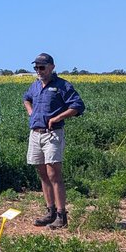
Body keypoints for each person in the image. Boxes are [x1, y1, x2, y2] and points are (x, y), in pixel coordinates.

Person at [23, 53, 85, 228]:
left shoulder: (62, 85)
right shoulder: (35, 85)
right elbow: (26, 98)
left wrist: (57, 118)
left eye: (42, 67)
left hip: (52, 134)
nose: (38, 71)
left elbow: (78, 105)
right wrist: (31, 112)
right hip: (35, 133)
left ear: (52, 67)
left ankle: (61, 215)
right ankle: (50, 211)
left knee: (53, 174)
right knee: (42, 173)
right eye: (36, 68)